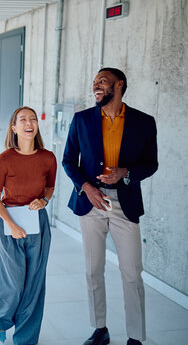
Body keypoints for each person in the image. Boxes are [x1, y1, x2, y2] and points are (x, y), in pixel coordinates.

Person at [62, 68, 158, 345]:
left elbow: (151, 163)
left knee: (131, 272)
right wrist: (87, 187)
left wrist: (125, 172)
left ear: (119, 85)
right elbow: (68, 160)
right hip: (90, 202)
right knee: (93, 270)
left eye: (102, 82)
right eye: (94, 83)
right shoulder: (82, 119)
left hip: (124, 203)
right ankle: (99, 329)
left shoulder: (143, 122)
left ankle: (136, 337)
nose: (96, 87)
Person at [0, 106, 57, 344]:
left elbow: (50, 187)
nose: (30, 122)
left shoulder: (48, 157)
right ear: (14, 127)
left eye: (33, 119)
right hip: (9, 224)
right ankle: (0, 319)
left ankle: (25, 339)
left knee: (34, 286)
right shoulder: (4, 159)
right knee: (12, 281)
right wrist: (12, 224)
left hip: (38, 224)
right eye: (23, 119)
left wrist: (45, 200)